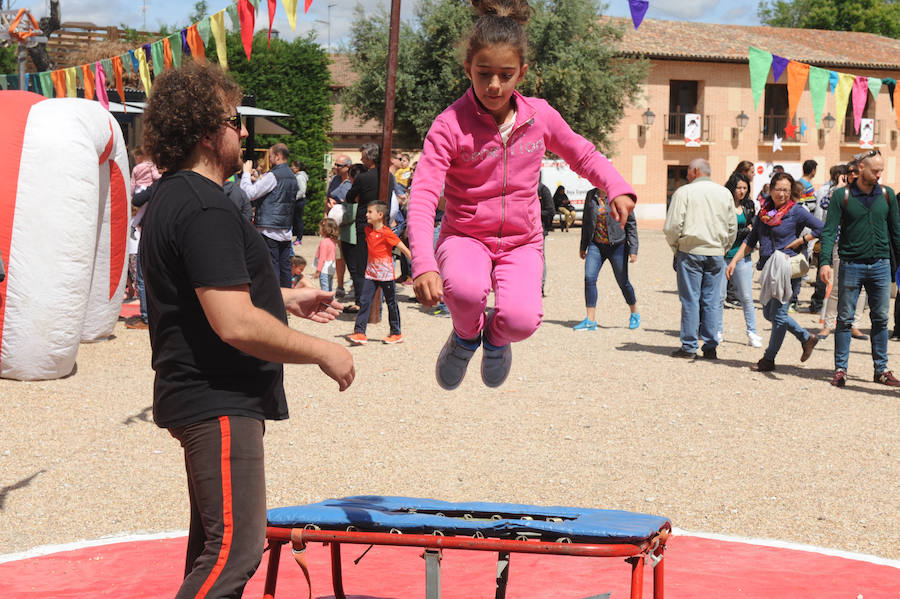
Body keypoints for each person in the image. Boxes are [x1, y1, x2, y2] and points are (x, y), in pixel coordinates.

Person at [139, 62, 354, 599]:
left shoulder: (175, 196)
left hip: (200, 394)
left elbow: (209, 292)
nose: (244, 133)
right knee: (234, 550)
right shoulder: (205, 206)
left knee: (211, 549)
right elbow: (233, 321)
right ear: (208, 131)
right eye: (235, 121)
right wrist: (322, 352)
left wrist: (285, 299)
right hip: (217, 396)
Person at [407, 0, 636, 390]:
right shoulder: (449, 124)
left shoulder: (539, 116)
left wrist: (616, 185)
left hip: (521, 242)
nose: (494, 85)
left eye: (505, 75)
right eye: (484, 74)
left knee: (521, 320)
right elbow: (424, 193)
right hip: (465, 235)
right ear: (468, 70)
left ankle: (495, 341)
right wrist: (424, 262)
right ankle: (464, 338)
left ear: (522, 73)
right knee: (463, 291)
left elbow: (583, 153)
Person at [726, 172, 823, 372]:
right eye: (778, 189)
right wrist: (734, 261)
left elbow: (823, 227)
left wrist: (802, 240)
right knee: (770, 314)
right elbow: (751, 241)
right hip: (769, 268)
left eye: (786, 190)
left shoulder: (796, 211)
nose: (782, 194)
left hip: (787, 267)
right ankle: (806, 337)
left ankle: (768, 359)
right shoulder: (764, 213)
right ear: (770, 190)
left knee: (778, 315)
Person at [819, 149, 900, 387]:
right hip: (851, 264)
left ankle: (881, 369)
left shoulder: (888, 195)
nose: (879, 175)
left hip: (881, 265)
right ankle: (840, 369)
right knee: (844, 319)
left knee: (881, 319)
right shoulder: (840, 196)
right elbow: (828, 231)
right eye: (875, 170)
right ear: (861, 169)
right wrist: (824, 261)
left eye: (881, 171)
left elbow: (896, 232)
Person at [663, 158, 736, 360]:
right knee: (712, 300)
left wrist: (676, 247)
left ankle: (689, 346)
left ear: (695, 171)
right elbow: (732, 227)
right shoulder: (724, 193)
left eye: (688, 170)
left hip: (691, 251)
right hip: (716, 253)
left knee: (690, 299)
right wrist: (723, 248)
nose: (687, 175)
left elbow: (672, 226)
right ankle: (710, 346)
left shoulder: (684, 192)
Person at [575, 187, 640, 331]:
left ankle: (634, 312)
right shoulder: (591, 195)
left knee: (623, 282)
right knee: (589, 278)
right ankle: (590, 321)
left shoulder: (619, 195)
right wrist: (583, 246)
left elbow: (630, 223)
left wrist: (634, 249)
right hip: (596, 245)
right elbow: (586, 222)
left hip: (617, 246)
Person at [348, 201, 412, 345]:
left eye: (370, 212)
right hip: (371, 274)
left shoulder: (387, 233)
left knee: (391, 303)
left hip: (386, 275)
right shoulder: (367, 230)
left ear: (380, 215)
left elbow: (404, 249)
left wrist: (419, 265)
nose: (367, 214)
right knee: (364, 301)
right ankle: (360, 333)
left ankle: (396, 333)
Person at [240, 143, 299, 288]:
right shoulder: (292, 175)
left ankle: (273, 299)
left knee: (271, 266)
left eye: (271, 155)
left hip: (269, 228)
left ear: (278, 156)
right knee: (285, 266)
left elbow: (248, 194)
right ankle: (286, 299)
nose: (269, 158)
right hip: (284, 227)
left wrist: (246, 174)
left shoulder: (274, 175)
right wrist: (259, 179)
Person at [347, 143, 396, 312]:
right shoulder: (389, 177)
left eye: (363, 156)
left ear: (369, 157)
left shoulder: (363, 178)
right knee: (381, 264)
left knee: (363, 266)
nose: (361, 159)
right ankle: (379, 306)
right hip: (383, 224)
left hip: (365, 225)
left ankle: (363, 304)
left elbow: (349, 197)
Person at [721, 172, 761, 347]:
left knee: (746, 297)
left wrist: (746, 231)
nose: (742, 191)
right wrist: (745, 231)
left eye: (745, 188)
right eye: (739, 187)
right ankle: (717, 331)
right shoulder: (723, 204)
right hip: (723, 256)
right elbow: (722, 230)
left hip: (743, 256)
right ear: (732, 187)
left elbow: (754, 230)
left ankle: (752, 333)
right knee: (719, 297)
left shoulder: (750, 205)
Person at [538, 178, 554, 297]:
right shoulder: (523, 188)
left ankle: (540, 287)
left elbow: (550, 211)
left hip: (539, 230)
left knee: (540, 258)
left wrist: (534, 212)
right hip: (522, 231)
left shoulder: (543, 190)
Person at [315, 217, 339, 291]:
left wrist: (318, 271)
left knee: (324, 289)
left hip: (324, 269)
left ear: (324, 230)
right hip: (331, 268)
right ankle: (330, 301)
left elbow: (322, 258)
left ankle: (326, 302)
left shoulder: (324, 242)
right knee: (329, 287)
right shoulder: (333, 242)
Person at [290, 160, 308, 249]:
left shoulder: (300, 177)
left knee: (298, 219)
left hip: (299, 201)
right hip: (297, 200)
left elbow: (302, 190)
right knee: (295, 219)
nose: (291, 168)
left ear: (297, 168)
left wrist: (294, 198)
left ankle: (299, 238)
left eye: (292, 166)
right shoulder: (296, 176)